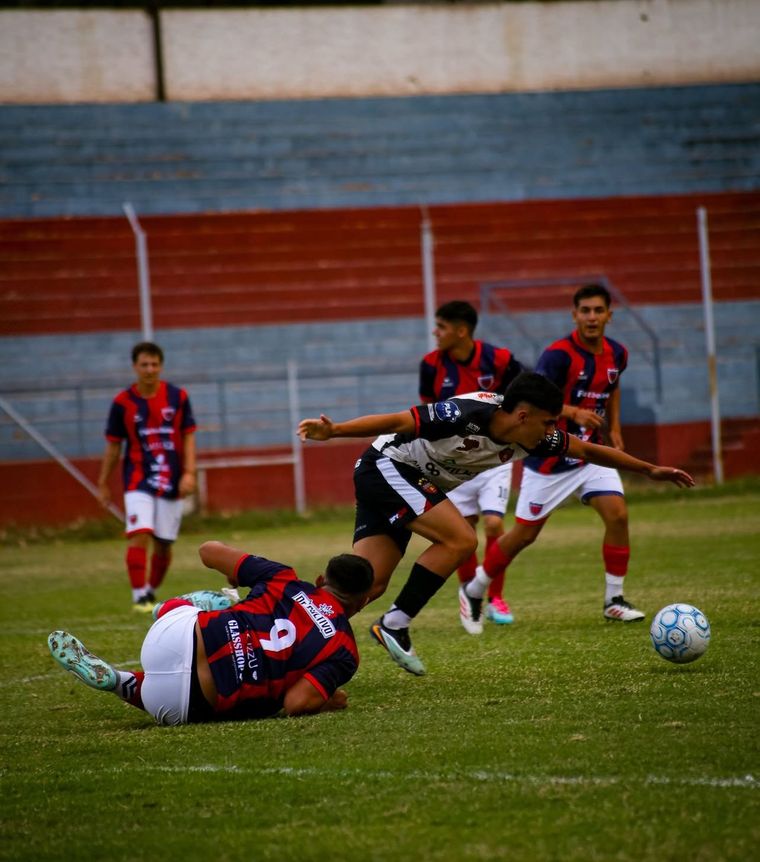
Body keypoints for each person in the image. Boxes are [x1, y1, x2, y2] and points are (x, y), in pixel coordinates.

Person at [298, 371, 694, 677]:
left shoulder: (535, 436)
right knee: (461, 540)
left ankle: (293, 645)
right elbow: (399, 421)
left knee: (365, 585)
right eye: (548, 422)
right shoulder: (466, 413)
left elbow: (589, 449)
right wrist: (334, 432)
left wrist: (650, 469)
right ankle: (395, 625)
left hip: (399, 481)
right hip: (388, 467)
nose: (552, 431)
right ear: (523, 415)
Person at [462, 283, 648, 628]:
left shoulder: (618, 353)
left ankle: (614, 599)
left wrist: (616, 427)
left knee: (618, 515)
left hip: (589, 454)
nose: (591, 317)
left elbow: (612, 385)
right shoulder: (558, 355)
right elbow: (533, 402)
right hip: (549, 458)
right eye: (585, 311)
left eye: (598, 310)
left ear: (610, 314)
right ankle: (475, 587)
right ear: (574, 314)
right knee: (523, 536)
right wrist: (574, 412)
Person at [47, 541, 374, 724]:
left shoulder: (284, 578)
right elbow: (296, 703)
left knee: (194, 612)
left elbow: (208, 550)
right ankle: (121, 683)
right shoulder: (344, 651)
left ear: (319, 580)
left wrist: (236, 575)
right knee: (174, 695)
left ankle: (176, 609)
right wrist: (328, 701)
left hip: (170, 638)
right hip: (182, 705)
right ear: (362, 601)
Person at [419, 299, 524, 624]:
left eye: (442, 327)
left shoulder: (500, 360)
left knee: (494, 524)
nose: (436, 333)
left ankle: (497, 598)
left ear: (461, 331)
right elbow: (427, 410)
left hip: (494, 456)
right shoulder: (431, 364)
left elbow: (522, 395)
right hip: (456, 460)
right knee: (464, 532)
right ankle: (471, 596)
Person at [97, 341, 197, 612]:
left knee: (163, 545)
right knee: (139, 533)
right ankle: (139, 596)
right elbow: (114, 445)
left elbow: (188, 437)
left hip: (172, 479)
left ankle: (151, 591)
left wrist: (189, 473)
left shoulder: (178, 397)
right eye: (144, 364)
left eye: (154, 364)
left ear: (161, 366)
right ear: (135, 367)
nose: (150, 369)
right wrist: (103, 481)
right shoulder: (122, 403)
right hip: (137, 479)